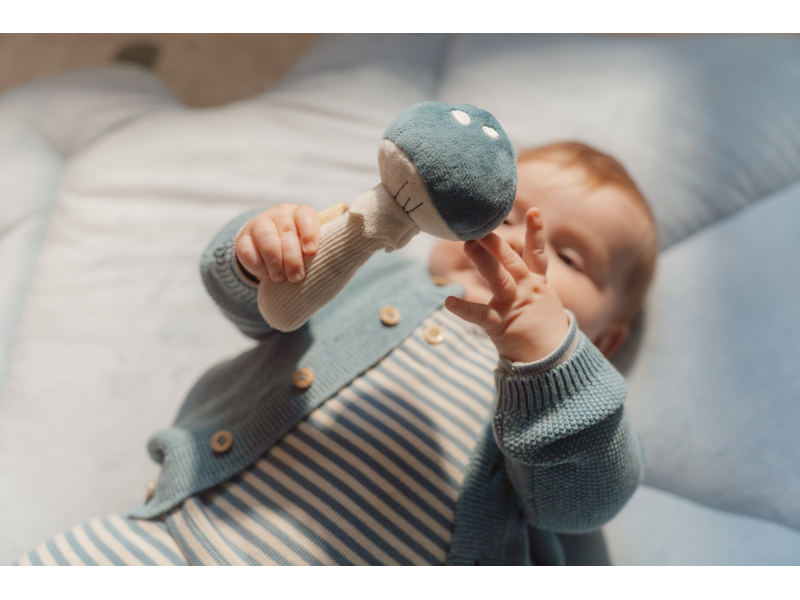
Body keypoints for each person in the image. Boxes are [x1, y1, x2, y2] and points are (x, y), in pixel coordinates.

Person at [15, 142, 657, 566]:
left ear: (606, 339)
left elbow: (584, 503)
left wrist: (550, 360)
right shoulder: (376, 274)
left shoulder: (572, 398)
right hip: (182, 542)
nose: (515, 244)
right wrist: (262, 255)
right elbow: (263, 308)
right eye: (502, 216)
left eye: (568, 257)